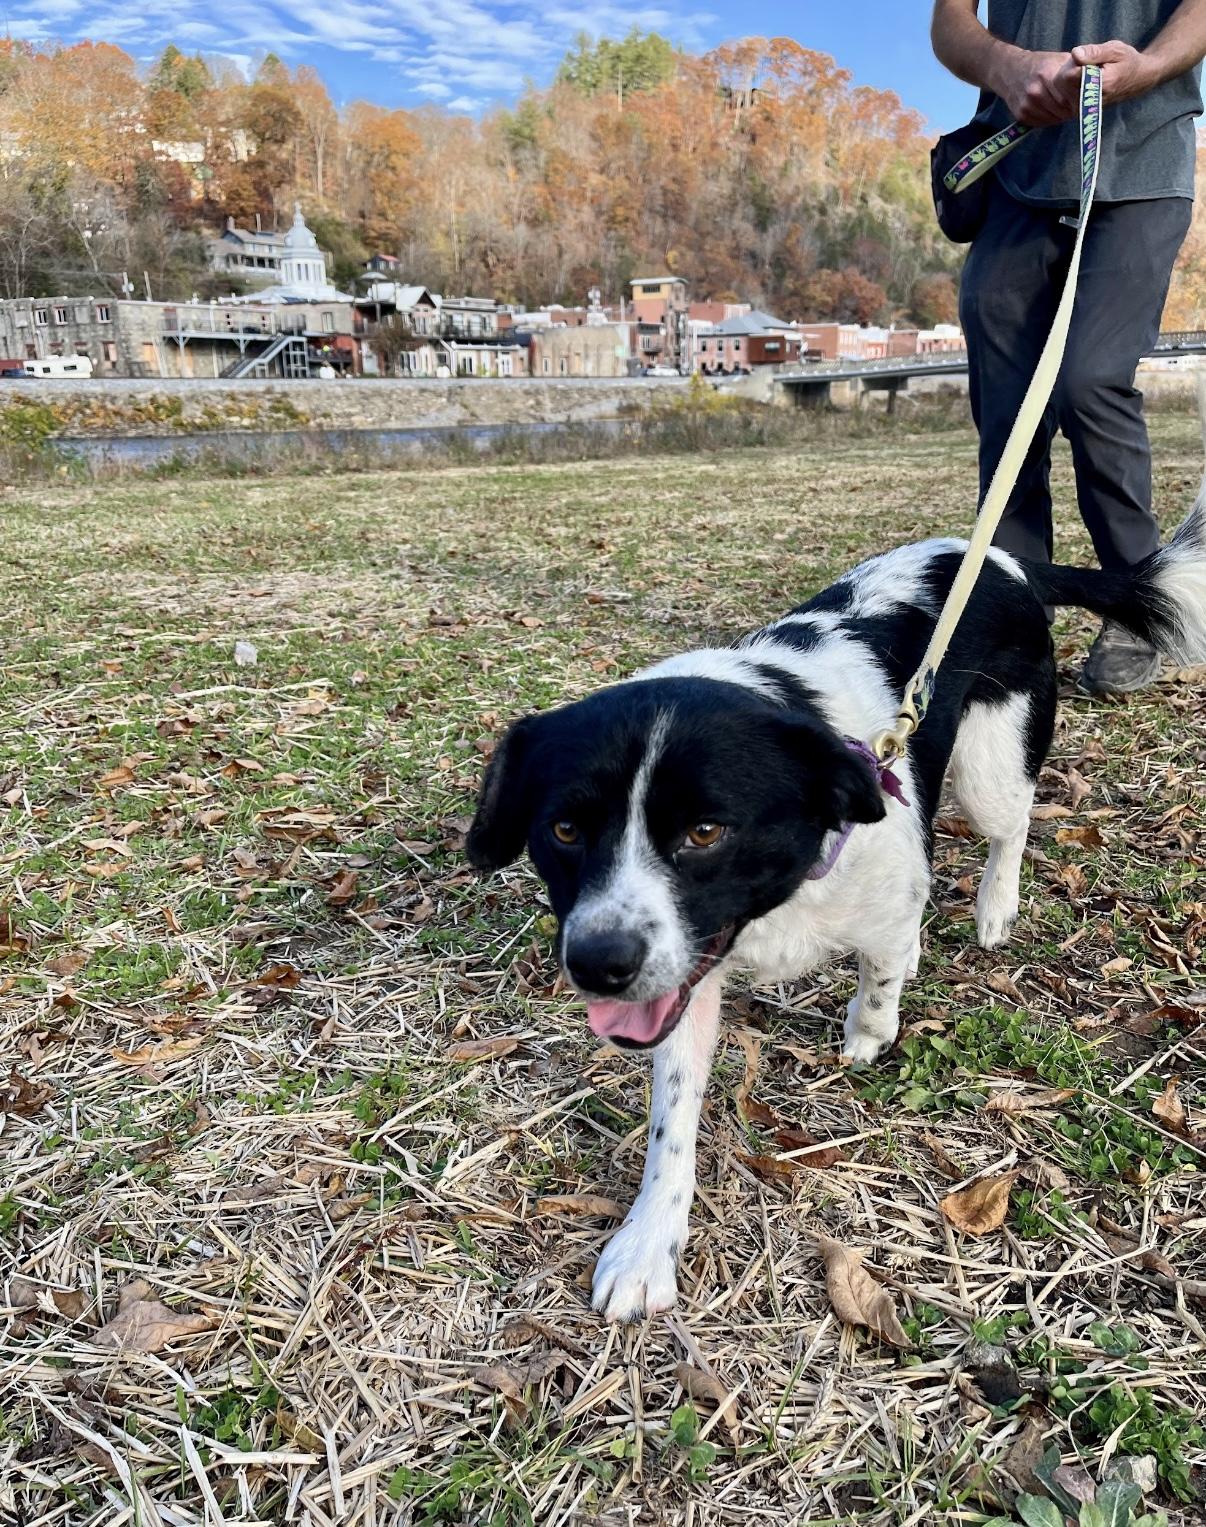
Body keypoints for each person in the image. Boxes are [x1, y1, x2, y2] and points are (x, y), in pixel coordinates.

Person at [932, 0, 1206, 692]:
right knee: (1005, 398)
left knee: (1090, 381)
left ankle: (1140, 602)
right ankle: (1015, 609)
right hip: (1018, 166)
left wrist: (1146, 68)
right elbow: (949, 19)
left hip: (1144, 166)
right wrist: (1010, 65)